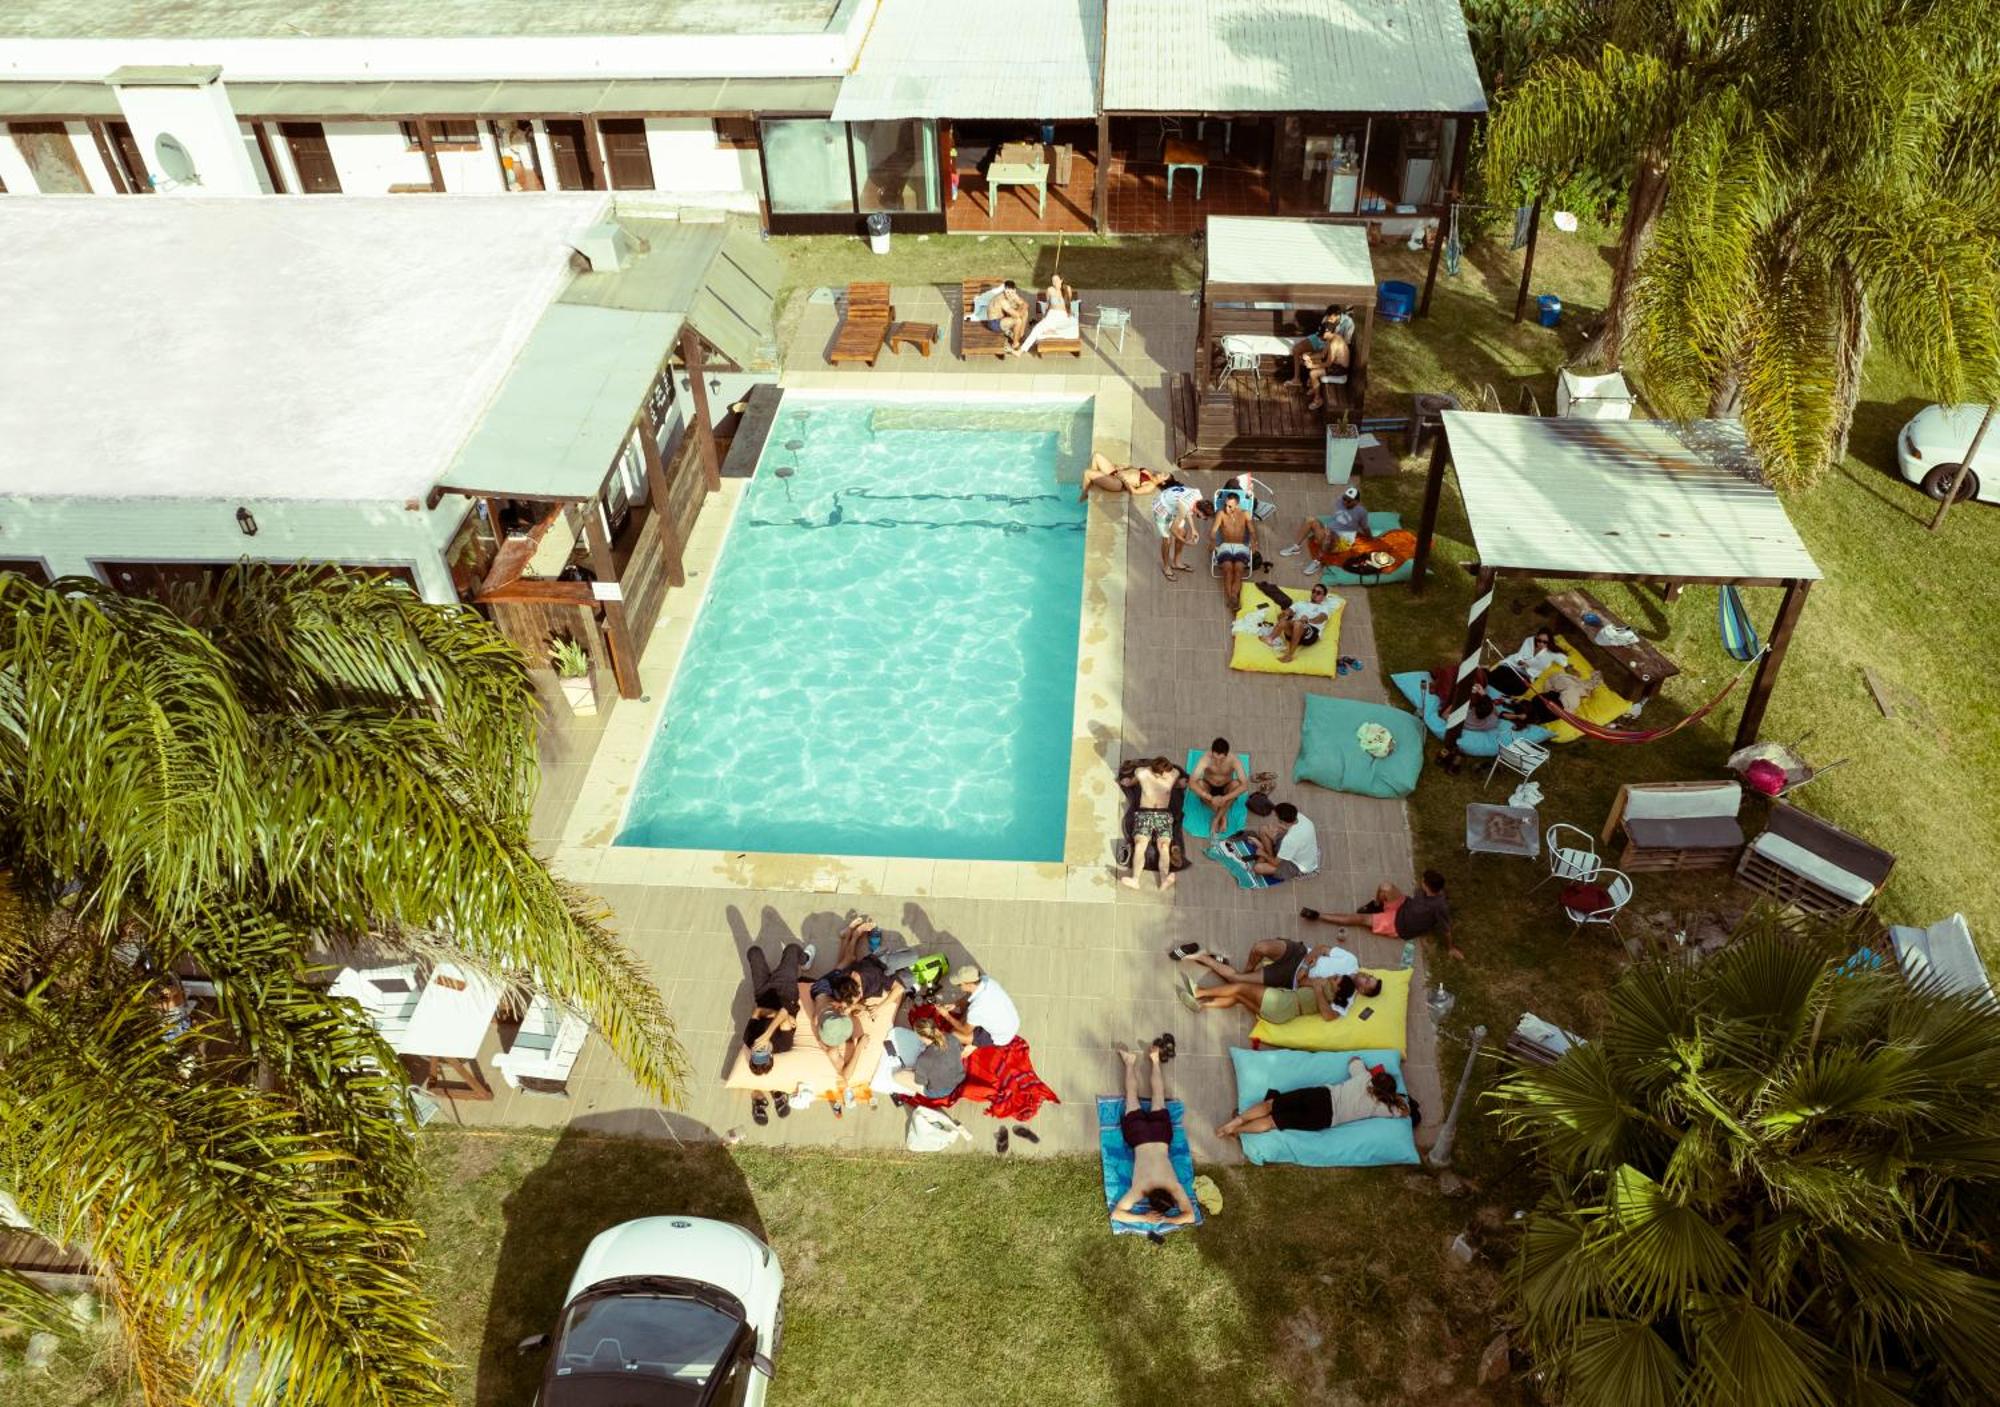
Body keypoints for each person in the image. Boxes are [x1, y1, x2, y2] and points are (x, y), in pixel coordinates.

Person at [1111, 1042, 1198, 1228]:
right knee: (1131, 1096)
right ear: (1148, 1200)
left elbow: (1190, 1216)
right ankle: (1129, 1062)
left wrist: (1170, 1219)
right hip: (1139, 1136)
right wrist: (1145, 1218)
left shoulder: (1174, 1187)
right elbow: (1117, 1214)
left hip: (1161, 1135)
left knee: (1158, 1096)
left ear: (1170, 1196)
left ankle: (1155, 1060)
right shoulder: (1139, 1190)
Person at [1217, 1056, 1408, 1139]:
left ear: (1376, 1078)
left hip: (1321, 1096)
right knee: (1273, 1121)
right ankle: (1237, 1131)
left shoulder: (1364, 1077)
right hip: (1325, 1118)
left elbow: (1354, 1060)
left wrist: (1368, 1070)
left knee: (1271, 1104)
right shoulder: (1381, 1107)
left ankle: (1237, 1120)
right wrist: (1393, 1099)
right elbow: (1404, 1111)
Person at [1304, 869, 1462, 961]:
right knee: (1385, 886)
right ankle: (1377, 905)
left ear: (1427, 886)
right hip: (1404, 906)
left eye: (1423, 881)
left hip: (1399, 925)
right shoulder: (1425, 891)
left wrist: (1451, 948)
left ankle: (1318, 915)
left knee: (1360, 919)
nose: (1421, 881)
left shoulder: (1439, 906)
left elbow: (1446, 929)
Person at [1191, 968, 1384, 1024]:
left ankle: (1201, 992)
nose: (1332, 976)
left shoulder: (1336, 998)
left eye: (1335, 978)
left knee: (1240, 987)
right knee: (1239, 997)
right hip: (1280, 1016)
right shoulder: (1329, 988)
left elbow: (1328, 1016)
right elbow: (1301, 981)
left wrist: (1317, 988)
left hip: (1280, 1002)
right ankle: (1202, 1005)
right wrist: (1309, 974)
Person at [742, 939, 816, 1073]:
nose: (759, 1048)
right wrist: (767, 1035)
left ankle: (773, 974)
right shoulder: (783, 1044)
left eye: (756, 1052)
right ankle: (805, 960)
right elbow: (784, 1011)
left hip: (763, 994)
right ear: (770, 1055)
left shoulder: (749, 1039)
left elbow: (758, 1011)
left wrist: (774, 1015)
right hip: (785, 994)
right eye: (763, 1052)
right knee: (792, 949)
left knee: (753, 952)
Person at [1122, 757, 1183, 890]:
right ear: (1153, 770)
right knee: (1140, 844)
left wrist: (1180, 784)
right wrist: (1129, 783)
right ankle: (1135, 880)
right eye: (1161, 774)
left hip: (1163, 814)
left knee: (1164, 846)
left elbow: (1177, 783)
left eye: (1166, 773)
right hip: (1145, 813)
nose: (1164, 776)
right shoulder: (1142, 773)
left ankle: (1164, 879)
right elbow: (1133, 781)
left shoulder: (1173, 774)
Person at [1281, 485, 1369, 573]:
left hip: (1342, 543)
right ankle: (1296, 547)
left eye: (1348, 501)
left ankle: (1317, 562)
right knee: (1310, 520)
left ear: (1356, 502)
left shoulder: (1360, 513)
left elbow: (1364, 527)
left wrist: (1370, 539)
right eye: (1344, 498)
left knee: (1329, 536)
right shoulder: (1341, 503)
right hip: (1329, 533)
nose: (1345, 502)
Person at [937, 963, 1021, 1049]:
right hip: (1011, 1021)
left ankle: (973, 1045)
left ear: (969, 984)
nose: (958, 987)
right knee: (967, 1012)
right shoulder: (987, 981)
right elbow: (970, 995)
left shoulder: (977, 1008)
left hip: (1002, 1036)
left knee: (953, 1034)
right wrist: (955, 1004)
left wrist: (946, 1015)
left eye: (959, 984)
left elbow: (965, 1030)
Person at [891, 1016, 966, 1101]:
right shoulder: (951, 1037)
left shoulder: (924, 1059)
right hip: (957, 1078)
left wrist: (913, 1070)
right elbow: (960, 1052)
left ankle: (912, 1091)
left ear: (921, 1037)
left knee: (896, 1075)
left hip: (941, 1091)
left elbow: (920, 1081)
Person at [1246, 801, 1318, 882]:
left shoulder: (1290, 840)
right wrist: (1279, 829)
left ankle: (1265, 852)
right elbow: (1287, 832)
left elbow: (1276, 863)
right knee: (1263, 829)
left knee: (1257, 868)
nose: (1274, 818)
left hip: (1298, 865)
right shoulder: (1300, 817)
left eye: (1276, 817)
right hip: (1300, 851)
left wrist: (1263, 854)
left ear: (1282, 822)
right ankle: (1270, 855)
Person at [1486, 628, 1567, 699]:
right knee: (1499, 674)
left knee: (1519, 688)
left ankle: (1493, 688)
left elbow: (1564, 662)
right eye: (1539, 640)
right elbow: (1520, 655)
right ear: (1536, 637)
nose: (1541, 644)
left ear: (1549, 642)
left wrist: (1556, 651)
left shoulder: (1551, 653)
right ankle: (1491, 685)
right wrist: (1520, 662)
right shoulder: (1529, 641)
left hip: (1526, 675)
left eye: (1545, 642)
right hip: (1513, 666)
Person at [1151, 483, 1211, 579]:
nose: (1203, 518)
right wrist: (1186, 542)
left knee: (1183, 532)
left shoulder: (1198, 496)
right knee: (1167, 540)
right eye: (1203, 516)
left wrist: (1193, 529)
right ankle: (1166, 567)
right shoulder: (1184, 507)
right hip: (1162, 507)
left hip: (1174, 503)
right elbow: (1173, 529)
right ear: (1199, 510)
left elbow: (1189, 510)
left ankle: (1176, 562)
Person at [1211, 491, 1258, 609]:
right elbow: (1213, 530)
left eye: (1230, 506)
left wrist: (1254, 543)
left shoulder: (1245, 514)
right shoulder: (1221, 514)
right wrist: (1212, 542)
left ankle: (1234, 597)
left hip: (1241, 546)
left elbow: (1252, 531)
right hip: (1225, 545)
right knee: (1227, 569)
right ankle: (1231, 598)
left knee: (1239, 568)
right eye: (1225, 505)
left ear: (1237, 505)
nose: (1226, 508)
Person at [1011, 275, 1079, 357]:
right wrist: (1044, 317)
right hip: (1052, 314)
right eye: (1053, 281)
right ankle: (1020, 351)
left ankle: (1053, 330)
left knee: (1072, 326)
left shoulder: (1067, 288)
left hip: (1063, 315)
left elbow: (1068, 304)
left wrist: (1069, 313)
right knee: (1036, 329)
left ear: (1061, 280)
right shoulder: (1050, 290)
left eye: (1056, 280)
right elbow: (1048, 305)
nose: (1054, 283)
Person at [1266, 583, 1334, 663]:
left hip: (1310, 633)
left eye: (1318, 593)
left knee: (1298, 623)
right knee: (1284, 622)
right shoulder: (1300, 603)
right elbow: (1285, 614)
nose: (1315, 594)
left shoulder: (1324, 608)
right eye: (1313, 591)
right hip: (1292, 631)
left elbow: (1321, 618)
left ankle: (1289, 655)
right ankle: (1269, 639)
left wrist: (1308, 620)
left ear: (1323, 597)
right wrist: (1285, 614)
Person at [1188, 737, 1249, 818]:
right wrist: (1209, 797)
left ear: (1227, 754)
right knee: (1199, 784)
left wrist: (1224, 798)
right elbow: (1191, 782)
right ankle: (1221, 815)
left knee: (1236, 784)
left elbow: (1245, 785)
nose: (1218, 762)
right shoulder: (1205, 759)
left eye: (1221, 759)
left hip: (1226, 788)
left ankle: (1217, 817)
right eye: (1215, 758)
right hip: (1209, 787)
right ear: (1212, 752)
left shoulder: (1234, 760)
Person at [1078, 452, 1175, 500]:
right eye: (1164, 472)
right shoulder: (1151, 473)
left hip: (1117, 483)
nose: (1162, 472)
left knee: (1087, 473)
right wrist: (1124, 467)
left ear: (1163, 482)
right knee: (1096, 455)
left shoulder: (1150, 486)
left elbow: (1134, 492)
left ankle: (1084, 494)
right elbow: (1134, 470)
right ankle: (1094, 481)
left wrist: (1123, 480)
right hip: (1116, 472)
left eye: (1164, 475)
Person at [966, 279, 1030, 347]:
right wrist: (1021, 309)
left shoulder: (1014, 295)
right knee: (1018, 321)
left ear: (1014, 290)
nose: (1009, 294)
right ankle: (1015, 344)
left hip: (1003, 317)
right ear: (1004, 290)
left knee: (1025, 312)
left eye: (1011, 292)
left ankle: (1020, 335)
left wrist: (1021, 307)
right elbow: (1018, 314)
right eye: (1007, 292)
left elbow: (1026, 304)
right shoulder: (1002, 300)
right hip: (994, 323)